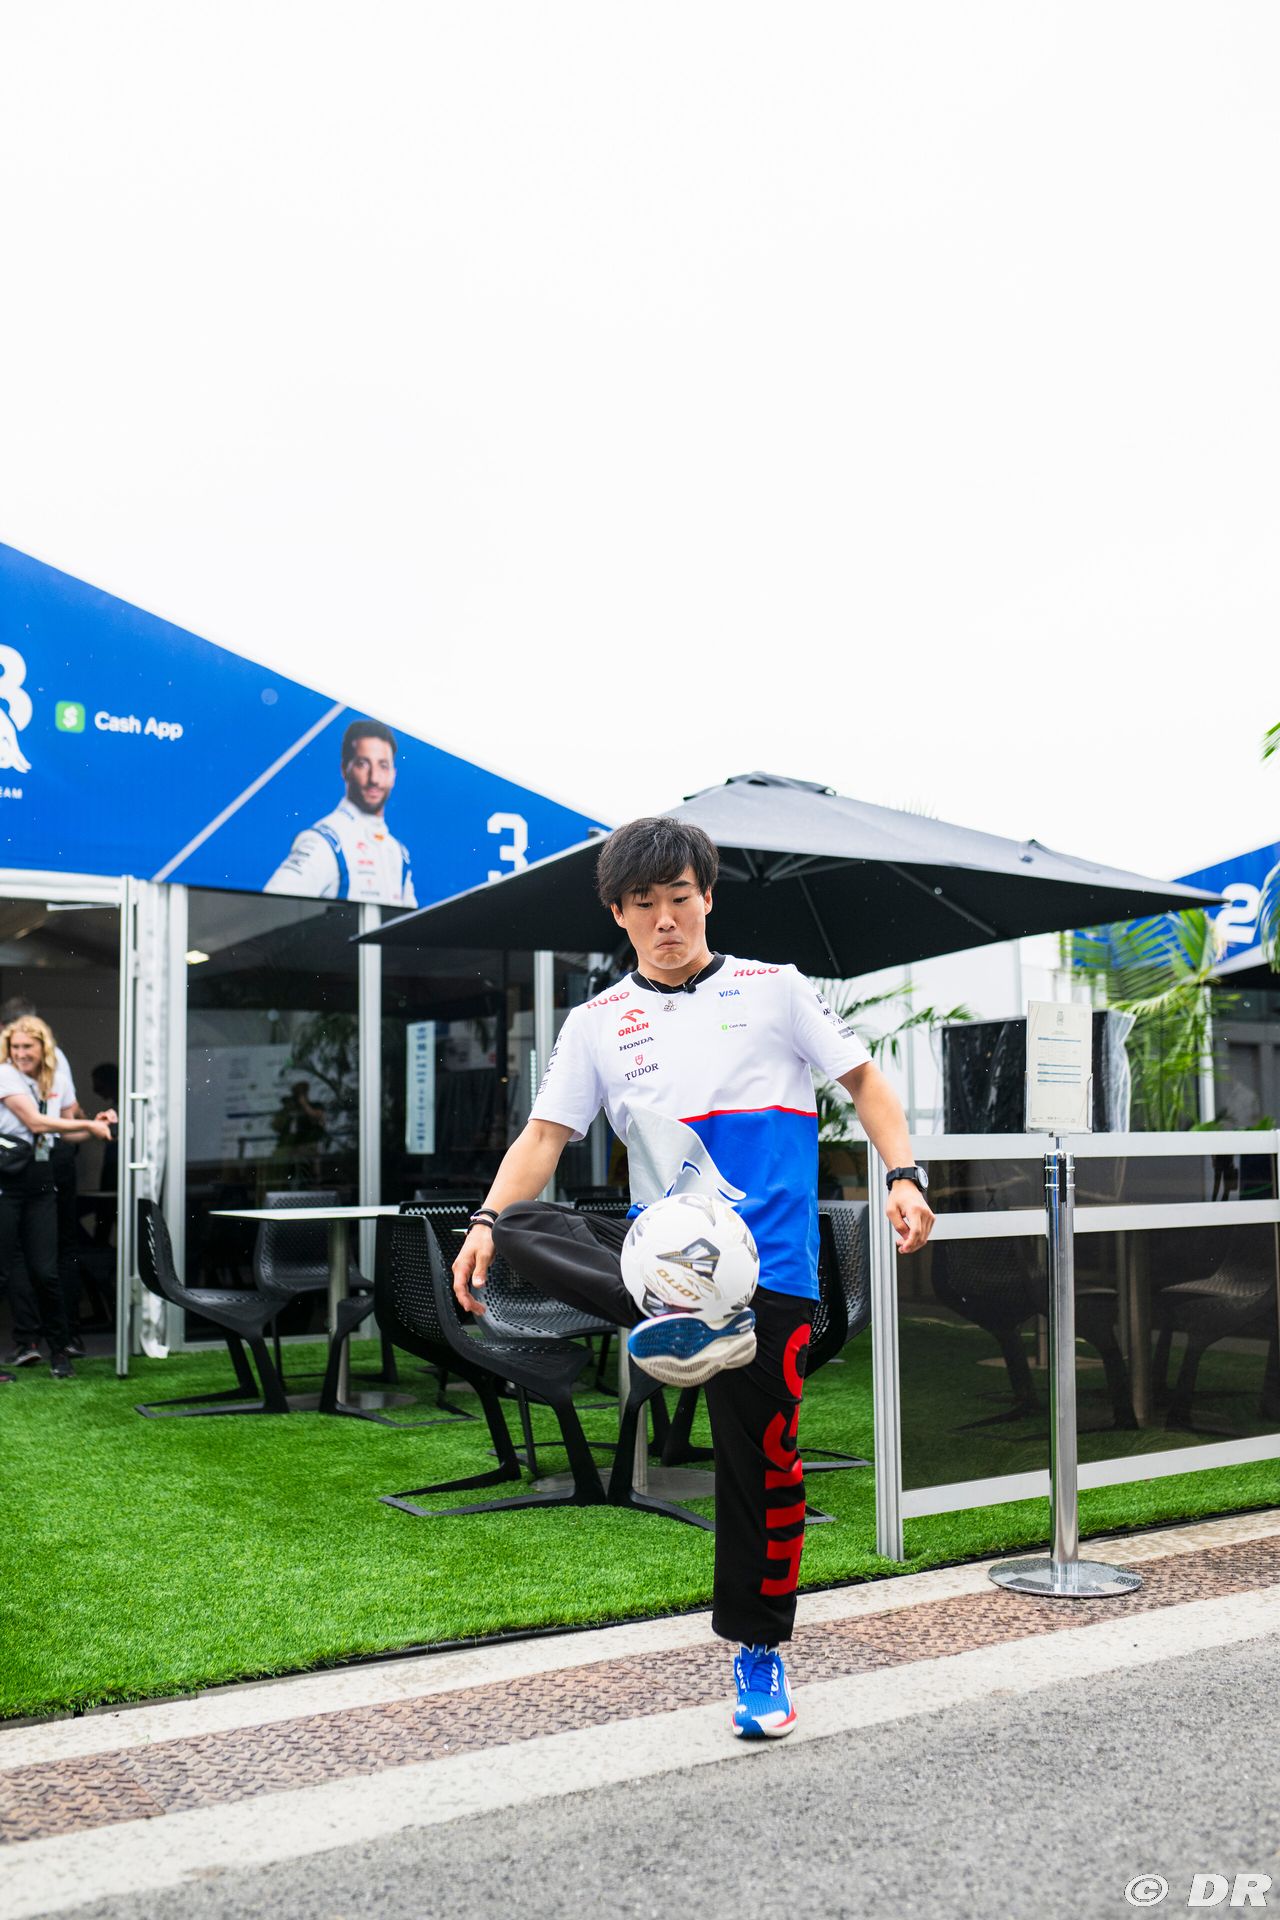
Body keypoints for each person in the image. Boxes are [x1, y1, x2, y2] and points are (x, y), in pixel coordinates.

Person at [451, 818, 935, 1740]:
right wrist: (481, 1225)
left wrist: (903, 1175)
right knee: (520, 1222)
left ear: (707, 897)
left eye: (681, 898)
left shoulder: (775, 989)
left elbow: (867, 1084)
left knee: (763, 1469)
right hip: (667, 1267)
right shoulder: (598, 1022)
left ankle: (759, 1653)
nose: (666, 919)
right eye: (645, 904)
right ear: (618, 914)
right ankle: (682, 1319)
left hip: (772, 1275)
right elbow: (544, 1138)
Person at [0, 1016, 115, 1378]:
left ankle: (60, 1352)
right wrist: (86, 1124)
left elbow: (66, 1134)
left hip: (41, 1181)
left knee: (46, 1271)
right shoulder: (5, 1075)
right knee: (2, 1271)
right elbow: (35, 1123)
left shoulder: (58, 1081)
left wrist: (97, 1126)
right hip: (6, 1180)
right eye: (15, 1047)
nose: (20, 1054)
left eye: (27, 1047)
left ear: (43, 1047)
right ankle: (24, 1346)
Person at [264, 719, 417, 905]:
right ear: (345, 769)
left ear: (393, 774)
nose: (374, 779)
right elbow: (271, 905)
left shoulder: (396, 851)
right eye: (363, 764)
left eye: (383, 766)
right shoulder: (326, 841)